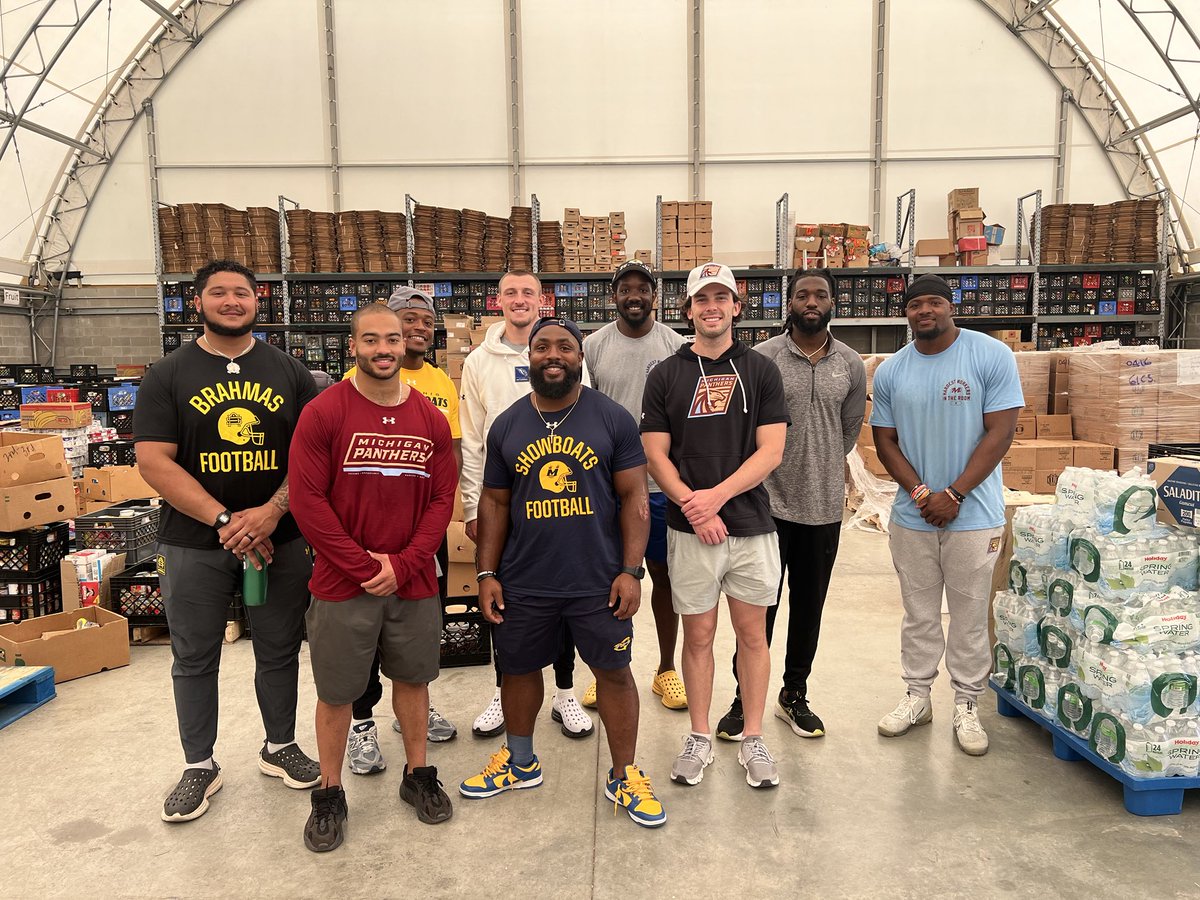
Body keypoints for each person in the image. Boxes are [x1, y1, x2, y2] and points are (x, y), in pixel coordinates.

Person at [459, 317, 665, 828]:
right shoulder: (507, 423)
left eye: (565, 347)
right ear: (528, 359)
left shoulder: (612, 418)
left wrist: (631, 571)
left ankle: (624, 775)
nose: (553, 354)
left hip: (597, 580)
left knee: (615, 674)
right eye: (542, 347)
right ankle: (521, 761)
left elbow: (635, 497)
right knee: (519, 671)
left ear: (580, 358)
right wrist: (486, 572)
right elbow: (494, 503)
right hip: (525, 580)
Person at [134, 259, 321, 823]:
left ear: (258, 300)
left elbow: (311, 457)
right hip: (195, 542)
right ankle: (199, 765)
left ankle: (280, 745)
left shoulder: (290, 373)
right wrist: (224, 521)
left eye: (242, 292)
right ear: (197, 303)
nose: (232, 301)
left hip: (279, 538)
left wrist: (270, 511)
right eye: (219, 293)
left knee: (280, 646)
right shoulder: (167, 374)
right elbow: (152, 461)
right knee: (193, 654)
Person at [289, 303, 459, 852]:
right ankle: (331, 792)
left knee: (413, 681)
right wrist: (364, 567)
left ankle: (417, 775)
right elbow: (309, 502)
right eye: (371, 340)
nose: (383, 349)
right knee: (337, 692)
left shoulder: (431, 419)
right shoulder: (324, 412)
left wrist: (405, 563)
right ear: (353, 346)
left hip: (412, 582)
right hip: (343, 584)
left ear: (409, 342)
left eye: (393, 338)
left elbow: (440, 498)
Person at [640, 263, 790, 790]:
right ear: (687, 310)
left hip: (751, 527)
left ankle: (753, 737)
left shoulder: (761, 371)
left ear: (736, 305)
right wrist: (690, 505)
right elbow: (654, 453)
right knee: (698, 635)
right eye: (702, 298)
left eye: (721, 297)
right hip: (689, 533)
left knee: (752, 635)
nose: (712, 306)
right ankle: (700, 735)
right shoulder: (666, 375)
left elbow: (772, 450)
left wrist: (716, 499)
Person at [871, 273, 1023, 757]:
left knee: (969, 615)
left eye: (934, 302)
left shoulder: (989, 355)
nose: (924, 312)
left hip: (974, 516)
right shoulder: (893, 369)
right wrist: (920, 492)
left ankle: (967, 703)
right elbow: (884, 440)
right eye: (915, 305)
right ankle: (918, 697)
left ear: (950, 306)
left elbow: (1000, 433)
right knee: (918, 615)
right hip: (912, 516)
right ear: (907, 313)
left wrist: (954, 493)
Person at [715, 268, 866, 741]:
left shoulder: (850, 364)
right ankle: (744, 698)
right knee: (757, 612)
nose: (811, 301)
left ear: (833, 302)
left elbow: (848, 430)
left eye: (821, 294)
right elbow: (743, 431)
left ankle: (793, 694)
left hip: (822, 508)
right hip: (766, 508)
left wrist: (817, 465)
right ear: (789, 302)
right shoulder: (762, 358)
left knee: (808, 608)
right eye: (802, 294)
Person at [459, 271, 593, 739]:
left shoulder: (568, 351)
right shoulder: (479, 361)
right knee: (507, 602)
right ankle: (503, 689)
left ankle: (565, 691)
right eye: (511, 293)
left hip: (562, 497)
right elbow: (473, 441)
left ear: (542, 300)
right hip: (503, 503)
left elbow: (586, 415)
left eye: (528, 293)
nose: (519, 300)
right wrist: (474, 507)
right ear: (498, 301)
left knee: (567, 595)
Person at [341, 287, 460, 774]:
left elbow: (447, 456)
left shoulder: (440, 385)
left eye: (423, 322)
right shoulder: (353, 383)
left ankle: (413, 707)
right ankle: (362, 722)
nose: (415, 330)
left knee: (417, 634)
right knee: (360, 643)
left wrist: (435, 528)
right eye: (404, 321)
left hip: (420, 535)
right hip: (363, 541)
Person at [583, 260, 688, 711]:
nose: (633, 296)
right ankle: (603, 667)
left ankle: (666, 669)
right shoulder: (593, 346)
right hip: (606, 488)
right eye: (624, 289)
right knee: (605, 578)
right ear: (614, 297)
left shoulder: (676, 345)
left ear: (654, 297)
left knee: (665, 578)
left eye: (642, 289)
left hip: (662, 486)